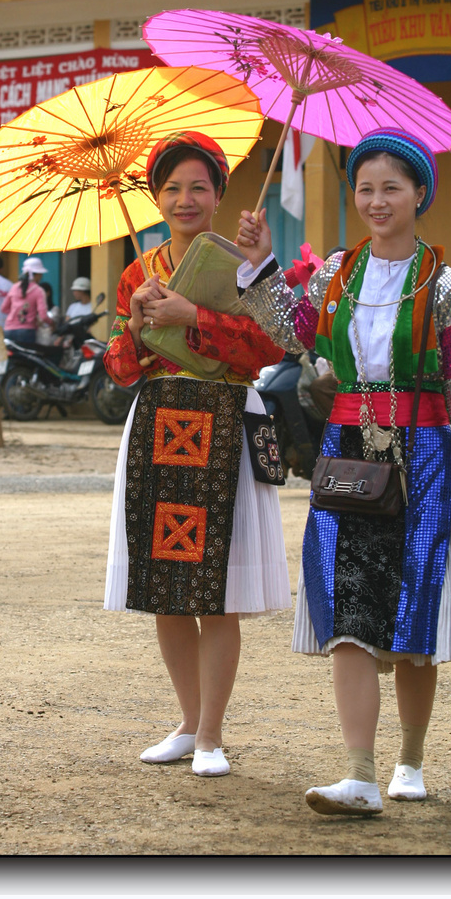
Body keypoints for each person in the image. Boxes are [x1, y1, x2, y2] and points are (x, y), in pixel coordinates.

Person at [235, 127, 451, 816]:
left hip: (423, 459)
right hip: (347, 460)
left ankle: (408, 759)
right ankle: (357, 773)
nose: (375, 200)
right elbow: (297, 334)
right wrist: (260, 266)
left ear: (419, 193)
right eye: (364, 188)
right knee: (349, 610)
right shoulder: (336, 275)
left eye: (391, 187)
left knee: (413, 620)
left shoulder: (444, 287)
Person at [103, 130, 291, 778]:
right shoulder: (137, 271)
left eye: (197, 187)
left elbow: (270, 350)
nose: (184, 199)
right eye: (171, 188)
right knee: (167, 589)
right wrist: (134, 324)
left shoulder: (243, 266)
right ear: (156, 199)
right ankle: (186, 723)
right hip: (157, 424)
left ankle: (212, 735)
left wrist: (190, 315)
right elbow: (121, 370)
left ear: (218, 196)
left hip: (224, 424)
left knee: (217, 591)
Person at [0, 257, 56, 346]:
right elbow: (43, 316)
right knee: (26, 359)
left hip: (9, 329)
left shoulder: (14, 287)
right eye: (41, 274)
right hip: (27, 331)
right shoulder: (38, 290)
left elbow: (3, 308)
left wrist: (16, 313)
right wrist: (52, 323)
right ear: (37, 274)